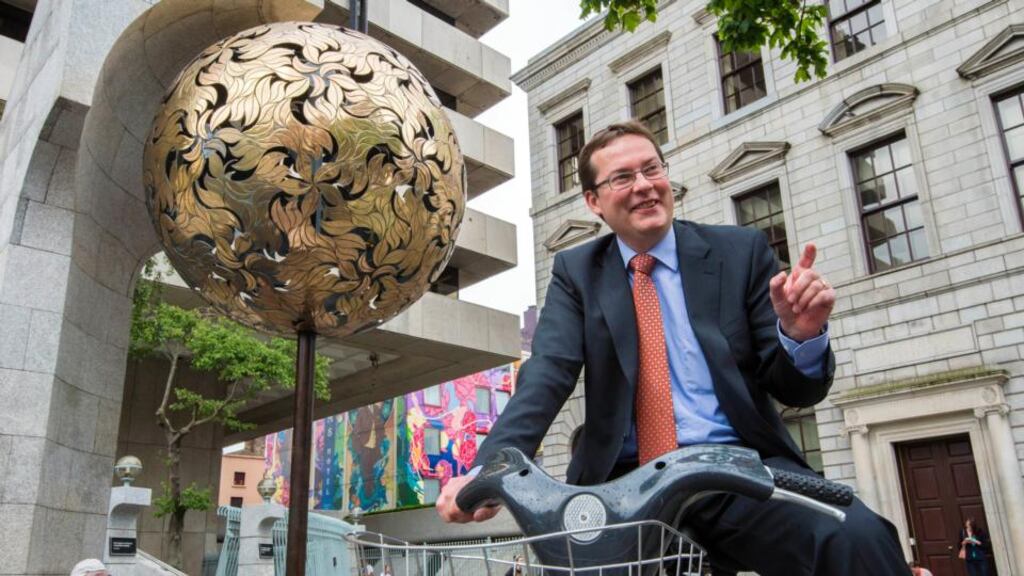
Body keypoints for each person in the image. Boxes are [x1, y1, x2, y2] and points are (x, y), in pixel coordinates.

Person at [436, 121, 909, 576]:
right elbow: (547, 374)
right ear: (594, 201)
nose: (644, 185)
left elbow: (797, 390)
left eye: (652, 169)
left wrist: (800, 334)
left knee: (854, 535)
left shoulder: (740, 252)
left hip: (733, 470)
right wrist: (486, 472)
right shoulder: (576, 272)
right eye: (623, 177)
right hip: (620, 487)